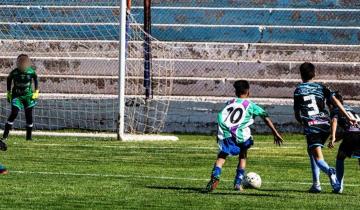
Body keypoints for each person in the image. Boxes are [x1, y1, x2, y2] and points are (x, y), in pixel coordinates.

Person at [205, 80, 283, 192]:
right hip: (242, 136)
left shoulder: (229, 102)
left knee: (221, 156)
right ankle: (238, 183)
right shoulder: (251, 105)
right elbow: (265, 117)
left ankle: (216, 175)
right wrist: (275, 132)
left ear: (236, 92)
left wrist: (219, 133)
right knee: (243, 155)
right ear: (248, 92)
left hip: (227, 134)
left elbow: (223, 117)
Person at [293, 62, 355, 193]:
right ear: (314, 74)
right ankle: (316, 185)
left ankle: (329, 171)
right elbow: (336, 102)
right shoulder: (321, 87)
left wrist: (302, 122)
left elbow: (297, 112)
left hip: (312, 125)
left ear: (300, 75)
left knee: (319, 158)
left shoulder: (298, 90)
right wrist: (348, 117)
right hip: (325, 124)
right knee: (312, 152)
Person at [0, 54, 39, 145]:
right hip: (17, 96)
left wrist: (36, 91)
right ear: (17, 64)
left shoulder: (31, 72)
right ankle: (5, 136)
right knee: (14, 113)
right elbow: (9, 79)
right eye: (20, 64)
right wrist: (9, 92)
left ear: (28, 64)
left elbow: (36, 78)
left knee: (28, 115)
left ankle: (29, 137)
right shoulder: (14, 73)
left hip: (28, 96)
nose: (22, 66)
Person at [327, 92, 360, 193]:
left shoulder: (335, 109)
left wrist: (333, 137)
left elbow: (334, 121)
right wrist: (338, 138)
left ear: (331, 105)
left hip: (352, 136)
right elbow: (350, 129)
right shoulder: (350, 109)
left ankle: (339, 186)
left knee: (340, 157)